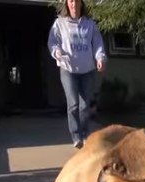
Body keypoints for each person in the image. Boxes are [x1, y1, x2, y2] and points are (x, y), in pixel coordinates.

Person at [47, 0, 106, 149]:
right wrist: (57, 52)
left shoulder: (90, 24)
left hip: (87, 70)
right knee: (73, 104)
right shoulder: (59, 24)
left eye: (76, 1)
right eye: (70, 1)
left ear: (81, 3)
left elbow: (97, 43)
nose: (73, 4)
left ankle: (85, 134)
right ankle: (76, 136)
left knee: (85, 105)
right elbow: (53, 42)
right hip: (68, 69)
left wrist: (100, 58)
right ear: (67, 4)